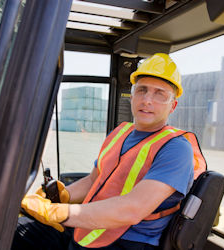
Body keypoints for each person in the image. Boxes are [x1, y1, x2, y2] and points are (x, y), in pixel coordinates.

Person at [11, 53, 206, 250]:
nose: (147, 100)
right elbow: (93, 181)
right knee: (11, 231)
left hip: (128, 242)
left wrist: (59, 213)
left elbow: (133, 209)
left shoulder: (176, 148)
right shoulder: (120, 132)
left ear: (173, 105)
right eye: (142, 90)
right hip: (89, 227)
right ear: (132, 95)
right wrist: (62, 196)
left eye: (159, 94)